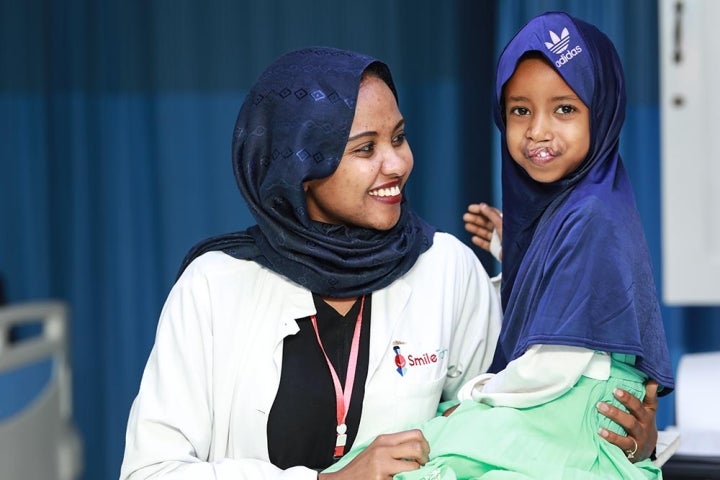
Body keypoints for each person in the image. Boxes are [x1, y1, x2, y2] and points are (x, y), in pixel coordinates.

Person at [119, 46, 660, 480]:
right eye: (364, 148)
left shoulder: (447, 268)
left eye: (399, 138)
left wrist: (621, 443)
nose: (397, 163)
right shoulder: (215, 286)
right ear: (300, 165)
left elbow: (513, 441)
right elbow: (151, 471)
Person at [327, 11, 674, 479]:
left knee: (426, 462)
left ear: (604, 109)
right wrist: (523, 259)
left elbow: (560, 359)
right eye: (520, 110)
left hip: (559, 411)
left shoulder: (591, 214)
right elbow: (577, 301)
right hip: (554, 405)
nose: (538, 131)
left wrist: (474, 397)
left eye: (565, 109)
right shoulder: (581, 209)